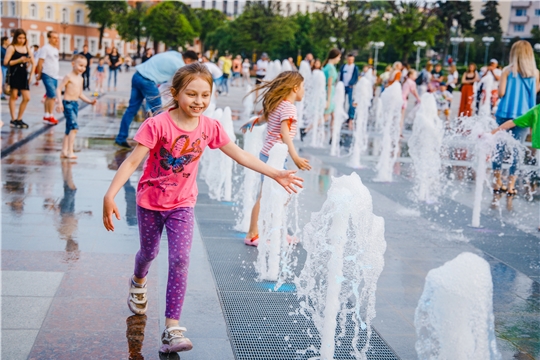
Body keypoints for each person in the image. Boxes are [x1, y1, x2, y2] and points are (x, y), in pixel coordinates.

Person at [102, 62, 303, 353]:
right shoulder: (157, 124)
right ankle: (138, 279)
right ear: (176, 93)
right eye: (191, 94)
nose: (198, 102)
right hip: (150, 202)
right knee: (149, 252)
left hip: (183, 205)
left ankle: (172, 327)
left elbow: (239, 154)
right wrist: (111, 194)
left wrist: (275, 172)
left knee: (181, 260)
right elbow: (133, 161)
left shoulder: (209, 127)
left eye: (205, 95)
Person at [239, 71, 311, 246]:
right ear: (295, 88)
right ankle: (253, 234)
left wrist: (252, 122)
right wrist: (295, 156)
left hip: (268, 154)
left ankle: (274, 230)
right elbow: (284, 133)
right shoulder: (289, 107)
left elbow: (263, 119)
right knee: (267, 196)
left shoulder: (278, 104)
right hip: (275, 156)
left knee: (281, 194)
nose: (304, 91)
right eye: (303, 87)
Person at [114, 50, 195, 149]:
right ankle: (166, 143)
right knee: (159, 112)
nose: (190, 68)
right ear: (188, 60)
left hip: (137, 75)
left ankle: (121, 138)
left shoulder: (175, 53)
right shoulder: (181, 65)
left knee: (131, 109)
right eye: (191, 64)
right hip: (148, 81)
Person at [492, 40, 540, 196]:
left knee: (499, 148)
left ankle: (497, 182)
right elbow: (534, 93)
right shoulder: (535, 73)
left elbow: (501, 93)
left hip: (505, 113)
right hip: (524, 115)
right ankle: (511, 185)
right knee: (517, 151)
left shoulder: (507, 71)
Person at [55, 54, 97, 159]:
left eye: (84, 66)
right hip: (67, 103)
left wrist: (90, 102)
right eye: (80, 65)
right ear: (73, 64)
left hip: (75, 104)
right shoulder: (68, 76)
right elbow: (59, 89)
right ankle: (70, 151)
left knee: (68, 128)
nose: (82, 68)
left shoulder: (80, 79)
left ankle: (63, 151)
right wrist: (60, 103)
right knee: (74, 128)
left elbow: (80, 94)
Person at [4, 29, 34, 128]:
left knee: (27, 97)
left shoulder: (26, 47)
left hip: (23, 74)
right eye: (20, 38)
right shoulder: (11, 47)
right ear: (16, 38)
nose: (22, 40)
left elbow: (33, 61)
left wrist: (31, 75)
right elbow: (6, 62)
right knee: (13, 96)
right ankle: (13, 119)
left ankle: (19, 118)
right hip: (14, 73)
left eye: (23, 38)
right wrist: (19, 60)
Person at [36, 30, 60, 125]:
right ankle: (51, 116)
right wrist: (39, 74)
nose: (56, 39)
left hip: (55, 75)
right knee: (52, 96)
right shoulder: (45, 48)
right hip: (47, 74)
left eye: (57, 38)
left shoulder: (55, 49)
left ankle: (46, 116)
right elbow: (40, 62)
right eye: (54, 38)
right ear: (49, 38)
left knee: (48, 96)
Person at [339, 53, 359, 125]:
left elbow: (356, 77)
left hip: (350, 87)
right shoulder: (344, 67)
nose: (350, 60)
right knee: (342, 101)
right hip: (343, 86)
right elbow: (341, 76)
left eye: (351, 59)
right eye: (349, 59)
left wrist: (351, 83)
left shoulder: (355, 67)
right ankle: (342, 115)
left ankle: (351, 117)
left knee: (351, 102)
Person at [323, 48, 341, 119]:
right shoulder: (330, 68)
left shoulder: (327, 66)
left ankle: (332, 130)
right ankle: (307, 129)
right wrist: (328, 100)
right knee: (326, 116)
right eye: (339, 57)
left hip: (329, 90)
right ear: (335, 56)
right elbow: (329, 84)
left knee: (333, 115)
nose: (339, 59)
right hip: (329, 92)